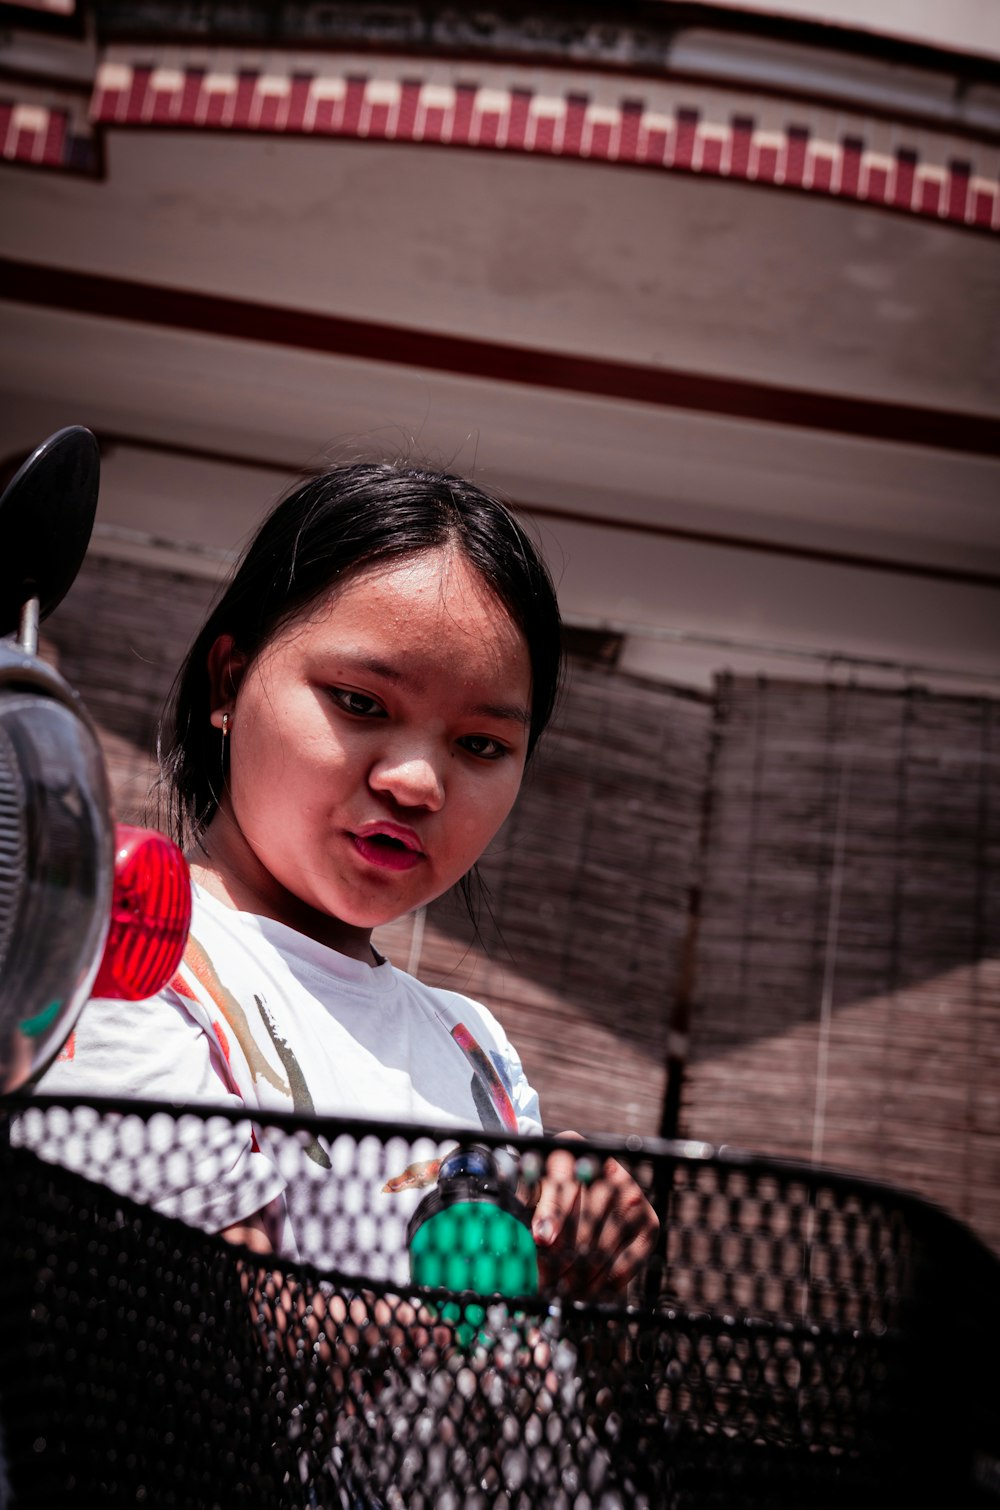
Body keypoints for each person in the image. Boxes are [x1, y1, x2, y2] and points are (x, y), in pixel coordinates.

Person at [18, 461, 656, 1299]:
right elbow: (219, 1334)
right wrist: (502, 1298)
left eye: (480, 745)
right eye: (361, 702)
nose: (418, 783)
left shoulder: (477, 1049)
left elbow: (545, 1389)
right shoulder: (132, 959)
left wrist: (595, 1276)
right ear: (229, 681)